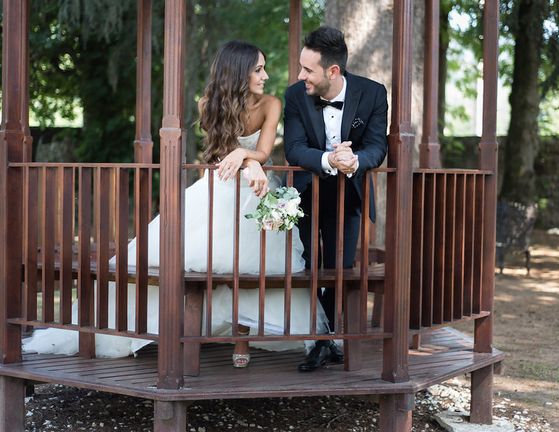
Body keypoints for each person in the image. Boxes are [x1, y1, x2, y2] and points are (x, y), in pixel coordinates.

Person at [23, 41, 329, 367]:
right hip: (222, 186)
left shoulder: (271, 104)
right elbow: (221, 155)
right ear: (238, 72)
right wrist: (243, 158)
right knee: (178, 252)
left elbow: (265, 152)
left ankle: (243, 340)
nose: (265, 75)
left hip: (256, 186)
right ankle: (171, 332)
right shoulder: (208, 103)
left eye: (264, 68)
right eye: (258, 69)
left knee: (260, 255)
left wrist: (248, 158)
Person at [284, 26, 388, 372]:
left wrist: (356, 160)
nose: (301, 76)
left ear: (333, 71)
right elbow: (294, 148)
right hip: (307, 194)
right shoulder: (296, 96)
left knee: (340, 270)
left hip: (351, 194)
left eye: (307, 70)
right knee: (309, 267)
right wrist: (329, 159)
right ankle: (322, 340)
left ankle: (323, 340)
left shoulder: (373, 94)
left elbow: (377, 146)